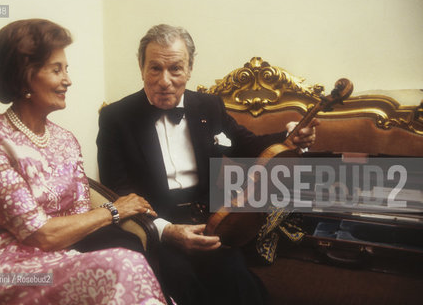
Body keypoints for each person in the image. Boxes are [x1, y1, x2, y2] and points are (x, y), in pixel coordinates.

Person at [97, 24, 318, 305]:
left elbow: (247, 144)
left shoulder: (209, 106)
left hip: (212, 223)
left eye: (175, 68)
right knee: (181, 284)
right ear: (141, 68)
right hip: (154, 227)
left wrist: (290, 136)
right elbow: (116, 191)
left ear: (189, 70)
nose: (164, 80)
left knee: (239, 285)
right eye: (155, 68)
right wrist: (166, 231)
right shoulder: (115, 118)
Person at [0, 19, 168, 305]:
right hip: (1, 267)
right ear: (24, 76)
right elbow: (39, 234)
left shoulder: (66, 140)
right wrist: (114, 209)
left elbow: (80, 216)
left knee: (126, 260)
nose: (68, 80)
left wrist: (106, 224)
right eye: (57, 70)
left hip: (61, 255)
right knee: (122, 265)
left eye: (66, 69)